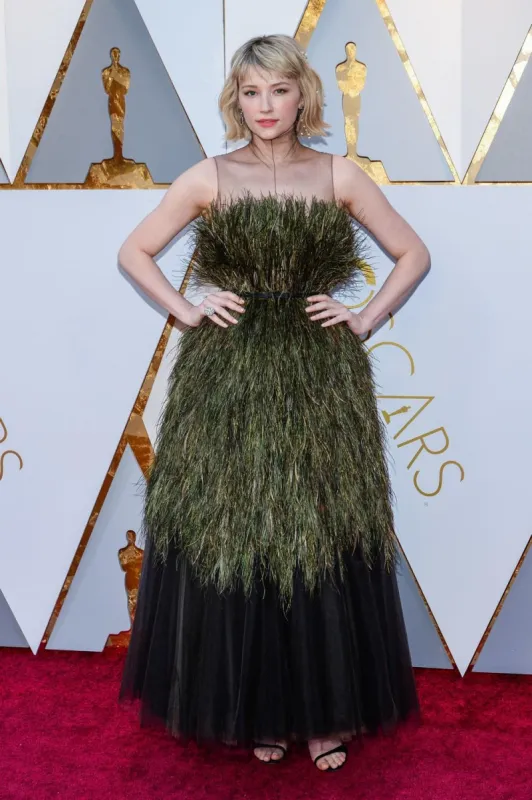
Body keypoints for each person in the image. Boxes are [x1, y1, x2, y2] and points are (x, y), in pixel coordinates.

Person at [118, 33, 430, 773]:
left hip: (320, 375)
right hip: (226, 376)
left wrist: (362, 317)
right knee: (241, 535)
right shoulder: (209, 176)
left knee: (321, 532)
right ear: (237, 98)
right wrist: (188, 308)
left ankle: (324, 716)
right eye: (252, 92)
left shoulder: (337, 174)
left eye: (279, 90)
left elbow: (412, 253)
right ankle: (261, 709)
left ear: (303, 95)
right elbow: (134, 251)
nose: (266, 106)